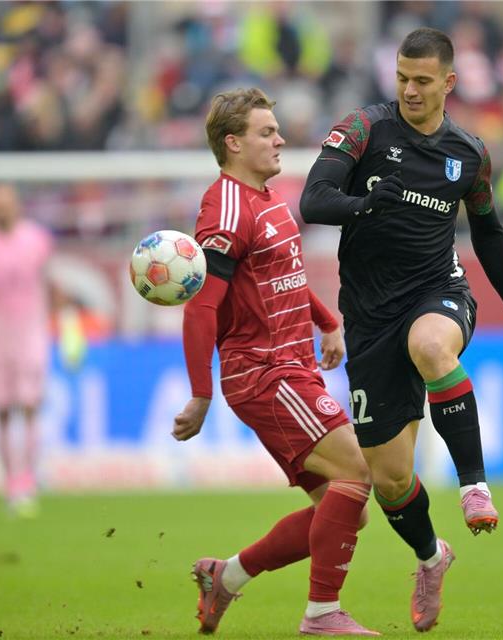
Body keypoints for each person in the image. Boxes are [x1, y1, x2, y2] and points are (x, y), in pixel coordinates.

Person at [300, 27, 503, 631]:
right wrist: (364, 203)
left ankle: (474, 486)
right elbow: (313, 200)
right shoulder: (363, 129)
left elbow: (489, 232)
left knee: (430, 345)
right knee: (391, 481)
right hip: (369, 316)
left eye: (422, 80)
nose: (410, 90)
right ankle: (431, 558)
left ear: (449, 82)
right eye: (402, 78)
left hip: (437, 292)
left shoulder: (468, 153)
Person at [172, 88, 379, 637]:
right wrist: (200, 394)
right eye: (267, 132)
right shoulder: (225, 210)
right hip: (264, 372)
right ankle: (322, 614)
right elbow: (202, 306)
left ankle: (226, 576)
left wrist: (325, 321)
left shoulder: (266, 199)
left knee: (349, 509)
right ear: (234, 144)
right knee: (357, 473)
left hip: (294, 365)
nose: (280, 139)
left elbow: (281, 274)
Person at [0, 183, 86, 517]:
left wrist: (68, 323)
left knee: (30, 405)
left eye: (6, 204)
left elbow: (51, 284)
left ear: (17, 206)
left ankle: (28, 480)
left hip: (31, 334)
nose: (1, 210)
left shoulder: (36, 240)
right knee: (2, 411)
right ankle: (11, 481)